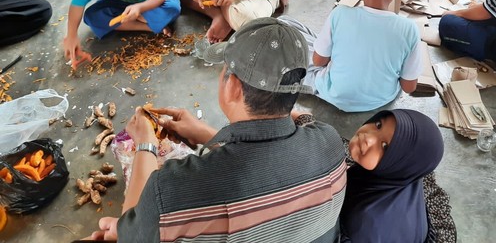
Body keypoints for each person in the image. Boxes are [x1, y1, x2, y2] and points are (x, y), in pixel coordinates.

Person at [86, 18, 347, 242]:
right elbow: (274, 152)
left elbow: (138, 231)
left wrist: (145, 143)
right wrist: (205, 133)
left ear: (232, 86)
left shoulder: (171, 190)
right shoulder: (331, 143)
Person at [304, 0, 422, 111]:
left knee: (291, 30)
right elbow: (409, 87)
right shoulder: (409, 29)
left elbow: (318, 61)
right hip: (382, 99)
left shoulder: (340, 14)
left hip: (334, 94)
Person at [340, 109, 446, 243]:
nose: (369, 138)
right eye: (378, 125)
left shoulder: (362, 220)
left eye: (384, 146)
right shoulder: (401, 178)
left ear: (398, 166)